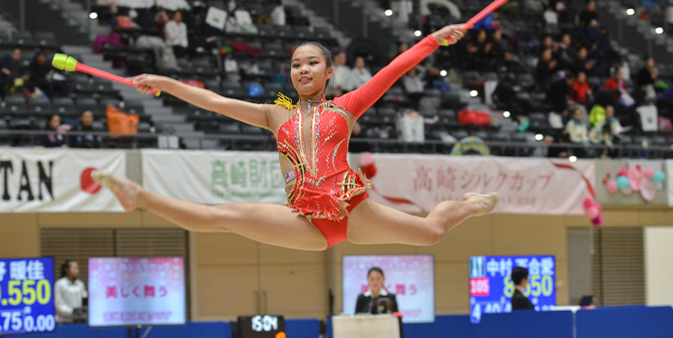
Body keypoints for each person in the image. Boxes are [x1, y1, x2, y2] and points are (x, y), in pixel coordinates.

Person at [92, 24, 499, 252]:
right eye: (295, 65)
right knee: (220, 218)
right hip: (306, 221)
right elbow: (213, 101)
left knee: (431, 233)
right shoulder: (275, 114)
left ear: (328, 73)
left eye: (312, 63)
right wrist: (165, 82)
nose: (302, 70)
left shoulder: (346, 106)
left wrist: (433, 40)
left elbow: (391, 71)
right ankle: (138, 195)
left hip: (350, 210)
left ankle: (472, 204)